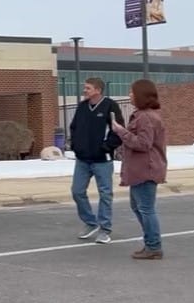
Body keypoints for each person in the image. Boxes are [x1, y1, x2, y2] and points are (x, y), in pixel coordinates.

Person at [110, 79, 167, 260]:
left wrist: (120, 131)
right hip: (140, 169)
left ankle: (154, 246)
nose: (129, 95)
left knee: (145, 208)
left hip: (146, 170)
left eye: (132, 92)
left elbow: (143, 144)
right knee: (139, 207)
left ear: (141, 95)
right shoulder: (145, 115)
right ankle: (150, 243)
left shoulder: (145, 117)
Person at [70, 77, 124, 244]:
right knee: (77, 192)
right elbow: (74, 127)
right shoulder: (82, 107)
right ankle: (90, 222)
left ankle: (105, 229)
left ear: (98, 90)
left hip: (102, 160)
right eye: (84, 87)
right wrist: (75, 145)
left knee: (105, 194)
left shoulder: (110, 106)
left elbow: (118, 130)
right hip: (82, 160)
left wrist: (107, 147)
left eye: (88, 88)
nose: (84, 90)